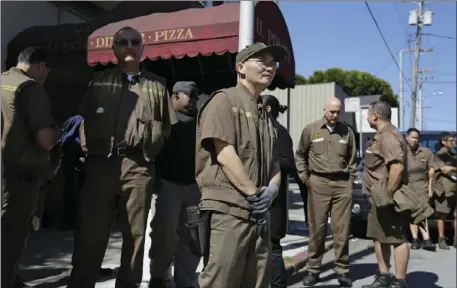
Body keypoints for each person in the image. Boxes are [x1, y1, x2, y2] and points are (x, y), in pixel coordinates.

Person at [67, 26, 176, 288]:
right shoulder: (99, 80)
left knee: (135, 236)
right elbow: (83, 119)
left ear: (142, 48)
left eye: (134, 41)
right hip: (100, 165)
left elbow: (167, 127)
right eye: (122, 41)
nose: (129, 45)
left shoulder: (158, 85)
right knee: (90, 234)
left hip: (138, 166)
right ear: (114, 48)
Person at [195, 42, 285, 288]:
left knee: (257, 280)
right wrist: (255, 194)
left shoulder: (265, 115)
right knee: (221, 280)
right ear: (241, 67)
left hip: (259, 213)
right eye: (262, 61)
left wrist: (272, 191)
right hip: (229, 209)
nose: (269, 67)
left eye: (273, 63)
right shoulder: (224, 100)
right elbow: (225, 153)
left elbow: (274, 165)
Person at [1, 46, 61, 288]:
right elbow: (45, 139)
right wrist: (59, 132)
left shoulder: (4, 81)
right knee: (10, 238)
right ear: (39, 65)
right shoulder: (30, 88)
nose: (46, 74)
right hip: (19, 177)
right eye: (46, 68)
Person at [295, 97, 356, 287]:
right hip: (318, 183)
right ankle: (313, 270)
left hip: (342, 185)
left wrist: (350, 180)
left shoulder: (347, 132)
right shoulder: (311, 129)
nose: (334, 115)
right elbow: (300, 155)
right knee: (317, 229)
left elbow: (352, 159)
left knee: (342, 230)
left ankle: (342, 270)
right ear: (324, 109)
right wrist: (307, 179)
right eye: (331, 111)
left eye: (338, 112)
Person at [148, 81, 201, 288]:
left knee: (191, 237)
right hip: (168, 185)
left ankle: (186, 281)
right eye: (190, 96)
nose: (194, 100)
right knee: (165, 233)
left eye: (196, 97)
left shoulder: (200, 121)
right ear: (175, 96)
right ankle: (159, 277)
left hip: (194, 188)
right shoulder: (164, 119)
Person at [362, 101, 409, 288]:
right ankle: (384, 276)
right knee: (379, 237)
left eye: (367, 113)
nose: (366, 117)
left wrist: (388, 195)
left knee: (396, 238)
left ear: (375, 116)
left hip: (387, 196)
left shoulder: (388, 136)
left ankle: (399, 281)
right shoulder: (380, 136)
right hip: (377, 196)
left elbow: (397, 167)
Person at [405, 128, 453, 251]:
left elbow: (431, 170)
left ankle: (426, 239)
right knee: (411, 213)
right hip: (407, 186)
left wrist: (430, 186)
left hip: (422, 186)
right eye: (412, 137)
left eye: (416, 138)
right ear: (406, 137)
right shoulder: (401, 152)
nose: (414, 140)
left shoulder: (425, 152)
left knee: (422, 212)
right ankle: (416, 239)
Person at [262, 95, 293, 288]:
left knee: (272, 247)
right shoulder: (256, 130)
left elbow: (288, 163)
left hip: (274, 201)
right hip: (256, 197)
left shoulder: (280, 132)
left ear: (267, 109)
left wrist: (264, 160)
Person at [432, 132, 457, 250]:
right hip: (443, 189)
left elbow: (449, 169)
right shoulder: (437, 156)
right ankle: (441, 239)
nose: (454, 143)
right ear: (443, 142)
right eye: (451, 141)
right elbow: (444, 169)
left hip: (455, 189)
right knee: (442, 214)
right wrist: (452, 169)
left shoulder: (454, 155)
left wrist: (452, 168)